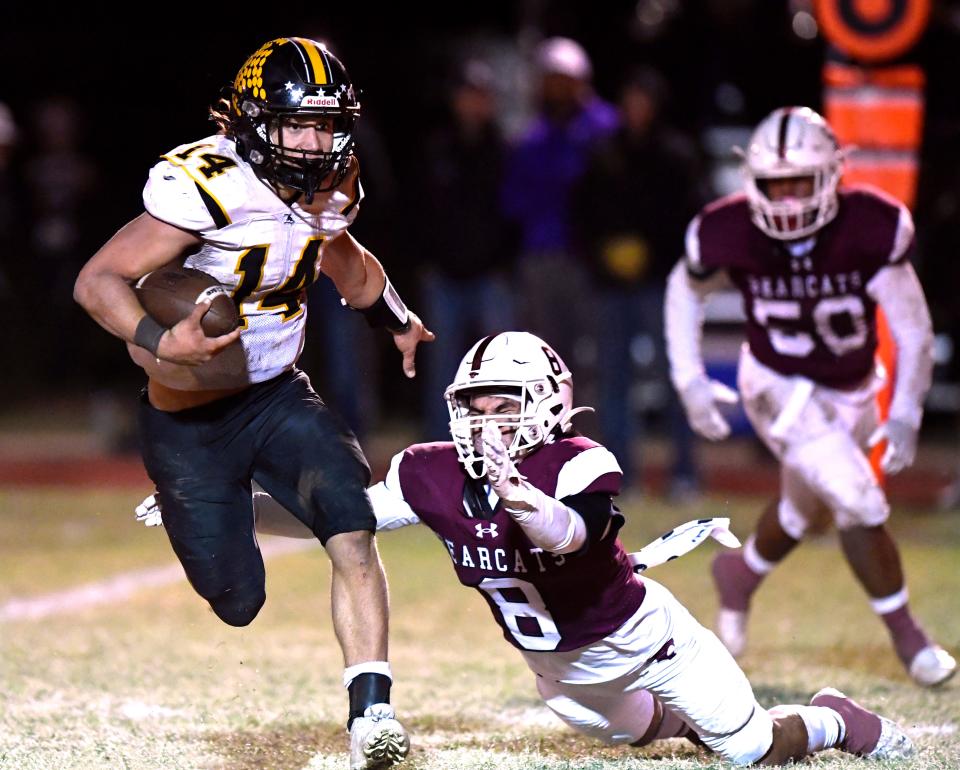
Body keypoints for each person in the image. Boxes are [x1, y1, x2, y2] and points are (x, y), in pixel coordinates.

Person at [140, 331, 915, 765]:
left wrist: (526, 501)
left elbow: (573, 536)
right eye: (471, 408)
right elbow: (342, 518)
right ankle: (708, 722)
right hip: (562, 680)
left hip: (647, 643)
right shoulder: (431, 471)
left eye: (501, 408)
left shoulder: (577, 461)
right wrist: (222, 509)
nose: (484, 423)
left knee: (747, 751)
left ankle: (834, 723)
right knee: (660, 733)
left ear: (543, 407)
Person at [74, 37, 434, 769]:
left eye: (325, 126)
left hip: (277, 396)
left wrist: (395, 317)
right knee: (237, 601)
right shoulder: (207, 180)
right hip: (190, 413)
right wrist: (157, 338)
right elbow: (97, 279)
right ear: (249, 121)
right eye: (295, 124)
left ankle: (372, 713)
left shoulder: (332, 184)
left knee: (351, 518)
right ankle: (198, 497)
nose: (312, 143)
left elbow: (345, 261)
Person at [664, 106, 956, 687]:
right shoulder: (730, 230)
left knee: (807, 509)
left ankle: (739, 574)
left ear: (832, 176)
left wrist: (903, 412)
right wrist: (689, 379)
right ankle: (909, 640)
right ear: (753, 183)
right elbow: (683, 287)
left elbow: (913, 327)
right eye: (777, 184)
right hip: (776, 386)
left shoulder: (868, 227)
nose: (790, 200)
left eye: (802, 182)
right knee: (857, 499)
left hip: (851, 386)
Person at [572, 66, 702, 494]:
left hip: (660, 285)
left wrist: (655, 257)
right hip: (611, 285)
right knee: (613, 381)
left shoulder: (676, 154)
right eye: (630, 101)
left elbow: (689, 217)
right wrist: (602, 260)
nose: (636, 110)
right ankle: (618, 473)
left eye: (643, 101)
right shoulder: (604, 151)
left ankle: (684, 472)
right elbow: (583, 213)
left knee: (674, 380)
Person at [415, 58, 516, 441]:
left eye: (481, 96)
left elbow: (513, 215)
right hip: (444, 277)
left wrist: (505, 263)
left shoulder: (503, 150)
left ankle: (501, 444)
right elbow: (419, 211)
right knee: (441, 372)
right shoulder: (436, 148)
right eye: (467, 94)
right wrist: (426, 262)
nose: (474, 103)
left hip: (491, 276)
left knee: (497, 372)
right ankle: (438, 446)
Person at [500, 37, 619, 363]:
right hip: (540, 256)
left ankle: (589, 416)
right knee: (544, 353)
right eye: (551, 80)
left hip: (589, 257)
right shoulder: (530, 136)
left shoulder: (604, 128)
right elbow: (512, 200)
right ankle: (552, 415)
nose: (558, 88)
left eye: (565, 80)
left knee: (590, 354)